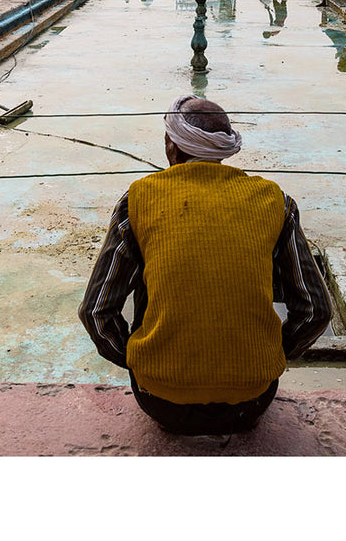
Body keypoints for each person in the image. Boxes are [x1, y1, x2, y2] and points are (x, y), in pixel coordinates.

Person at [78, 95, 331, 435]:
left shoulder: (138, 198)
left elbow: (96, 312)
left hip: (160, 400)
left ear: (171, 145)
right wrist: (271, 357)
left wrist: (140, 361)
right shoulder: (275, 200)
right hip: (252, 399)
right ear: (224, 149)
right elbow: (315, 311)